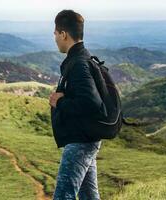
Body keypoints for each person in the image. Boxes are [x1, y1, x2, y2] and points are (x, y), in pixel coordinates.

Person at [49, 10, 104, 200]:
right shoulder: (81, 58)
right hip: (86, 138)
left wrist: (60, 101)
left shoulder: (79, 63)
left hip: (81, 141)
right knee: (89, 196)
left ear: (63, 34)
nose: (54, 38)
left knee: (63, 196)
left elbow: (91, 103)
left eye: (55, 33)